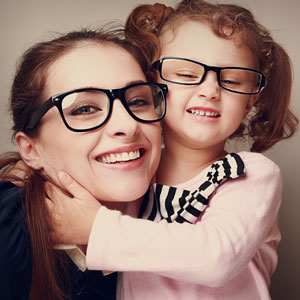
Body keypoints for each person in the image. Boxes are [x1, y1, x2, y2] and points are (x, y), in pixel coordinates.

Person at [49, 1, 299, 299]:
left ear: (249, 100)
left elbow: (216, 258)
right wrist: (33, 167)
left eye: (231, 80)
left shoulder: (251, 175)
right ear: (152, 86)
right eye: (186, 74)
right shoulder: (135, 174)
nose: (209, 91)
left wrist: (96, 229)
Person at [0, 27, 168, 300]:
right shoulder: (9, 231)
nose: (128, 125)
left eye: (138, 101)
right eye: (84, 109)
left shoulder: (193, 212)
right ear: (30, 150)